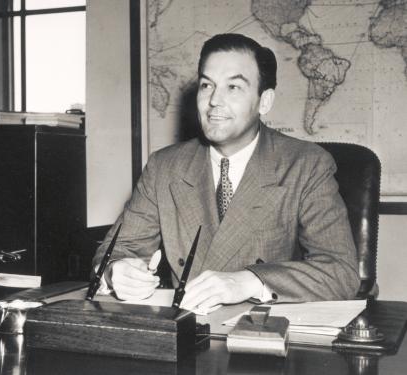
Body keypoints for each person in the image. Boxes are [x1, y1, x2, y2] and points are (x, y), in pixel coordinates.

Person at [92, 33, 360, 311]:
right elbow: (116, 250)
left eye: (233, 87)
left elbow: (341, 272)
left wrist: (249, 282)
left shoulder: (306, 164)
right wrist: (116, 271)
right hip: (182, 330)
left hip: (260, 333)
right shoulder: (164, 166)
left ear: (264, 102)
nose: (214, 101)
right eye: (207, 85)